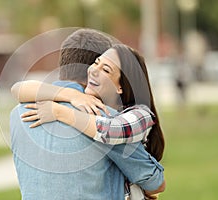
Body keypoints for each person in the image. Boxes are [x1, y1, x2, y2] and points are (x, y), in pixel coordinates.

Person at [10, 29, 165, 200]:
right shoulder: (104, 118)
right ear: (89, 69)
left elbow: (18, 89)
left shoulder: (17, 115)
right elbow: (155, 183)